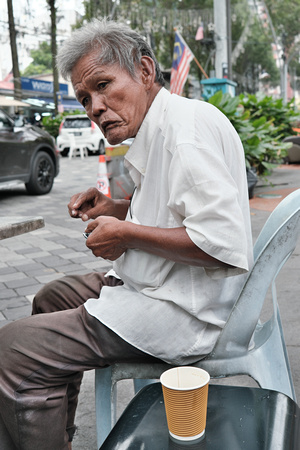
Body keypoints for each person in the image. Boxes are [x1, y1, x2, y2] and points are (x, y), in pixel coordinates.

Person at [0, 18, 253, 450]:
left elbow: (224, 247)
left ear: (145, 72)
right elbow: (175, 210)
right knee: (49, 299)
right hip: (162, 286)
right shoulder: (162, 128)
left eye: (102, 85)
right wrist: (115, 210)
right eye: (84, 97)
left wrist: (128, 234)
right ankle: (53, 434)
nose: (94, 107)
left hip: (186, 311)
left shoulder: (184, 134)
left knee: (12, 350)